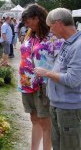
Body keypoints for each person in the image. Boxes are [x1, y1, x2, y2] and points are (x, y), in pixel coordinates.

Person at [34, 8, 81, 150]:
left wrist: (47, 73)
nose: (50, 30)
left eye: (51, 26)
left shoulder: (78, 46)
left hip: (69, 108)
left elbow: (73, 80)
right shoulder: (68, 42)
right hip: (60, 106)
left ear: (59, 23)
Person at [19, 4, 63, 150]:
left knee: (45, 121)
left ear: (37, 18)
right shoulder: (30, 34)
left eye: (28, 20)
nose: (26, 24)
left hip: (43, 84)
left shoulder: (53, 38)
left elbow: (61, 62)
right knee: (34, 118)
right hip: (27, 82)